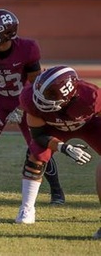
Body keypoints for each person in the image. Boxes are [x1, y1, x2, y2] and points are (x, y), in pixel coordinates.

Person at [0, 9, 65, 204]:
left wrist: (21, 108)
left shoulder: (27, 49)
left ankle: (57, 191)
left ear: (7, 33)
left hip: (26, 99)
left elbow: (34, 84)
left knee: (38, 145)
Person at [15, 65, 101, 237]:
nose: (40, 99)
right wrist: (64, 147)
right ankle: (27, 208)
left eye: (50, 95)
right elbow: (38, 135)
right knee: (36, 154)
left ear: (69, 93)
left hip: (88, 125)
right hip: (52, 127)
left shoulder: (92, 96)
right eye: (40, 92)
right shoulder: (29, 98)